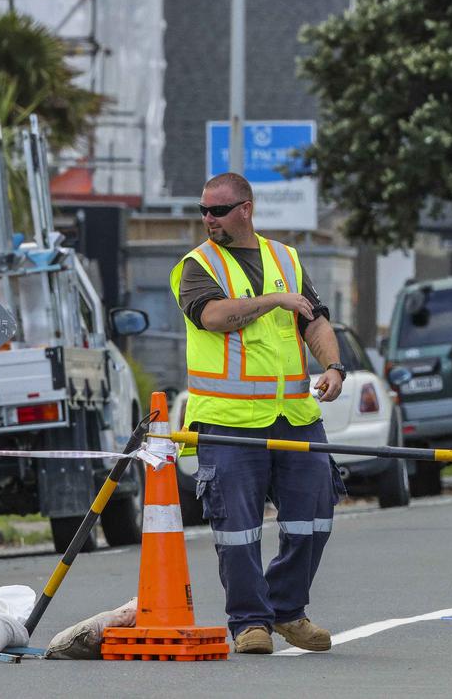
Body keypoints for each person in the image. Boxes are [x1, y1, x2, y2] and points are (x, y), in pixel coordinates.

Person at [170, 172, 346, 655]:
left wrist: (333, 365)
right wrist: (274, 299)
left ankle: (288, 611)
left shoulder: (285, 258)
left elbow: (315, 318)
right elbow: (213, 318)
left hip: (295, 415)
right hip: (228, 422)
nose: (209, 220)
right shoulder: (196, 265)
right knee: (237, 528)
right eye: (203, 210)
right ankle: (250, 623)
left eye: (218, 211)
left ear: (245, 209)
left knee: (314, 518)